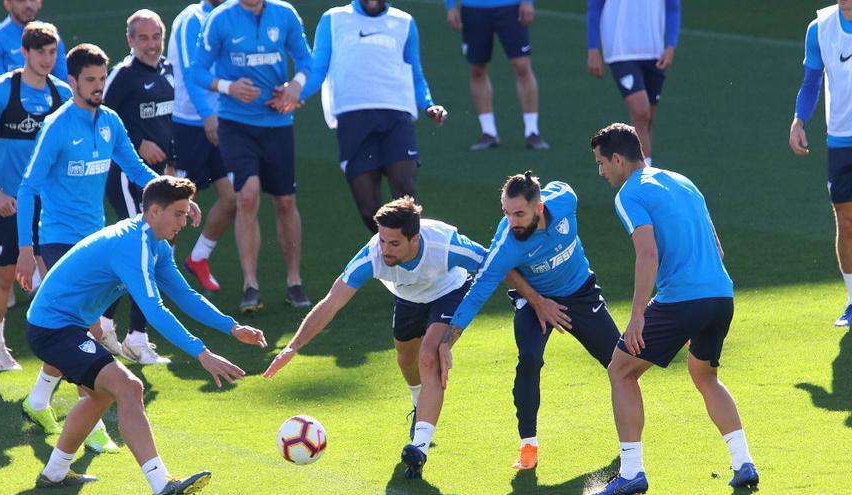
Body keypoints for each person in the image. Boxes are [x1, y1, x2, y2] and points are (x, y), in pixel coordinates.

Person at [28, 175, 266, 493]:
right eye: (179, 213)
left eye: (186, 212)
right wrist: (203, 354)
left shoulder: (155, 244)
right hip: (52, 327)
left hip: (67, 324)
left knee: (102, 394)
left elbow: (184, 295)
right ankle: (160, 483)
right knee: (128, 387)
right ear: (154, 211)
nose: (185, 221)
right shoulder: (133, 245)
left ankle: (55, 472)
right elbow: (155, 311)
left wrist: (232, 327)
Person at [15, 43, 192, 454]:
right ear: (73, 81)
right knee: (87, 332)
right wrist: (26, 249)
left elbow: (136, 170)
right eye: (89, 80)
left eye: (101, 79)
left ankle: (38, 400)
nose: (97, 87)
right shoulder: (57, 126)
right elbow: (28, 186)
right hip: (60, 238)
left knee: (71, 331)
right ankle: (90, 423)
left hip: (95, 239)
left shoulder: (110, 120)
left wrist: (176, 198)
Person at [589, 123, 758, 493]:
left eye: (602, 163)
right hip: (720, 296)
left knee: (620, 371)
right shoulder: (682, 181)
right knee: (705, 376)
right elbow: (718, 249)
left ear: (618, 160)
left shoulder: (629, 194)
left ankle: (632, 472)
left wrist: (636, 318)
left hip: (683, 299)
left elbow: (647, 254)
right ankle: (743, 462)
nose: (601, 171)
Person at [420, 172, 621, 479]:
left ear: (539, 208)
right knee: (529, 358)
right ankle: (528, 444)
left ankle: (630, 445)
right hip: (532, 302)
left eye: (519, 214)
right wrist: (446, 343)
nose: (512, 222)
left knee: (620, 363)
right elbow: (477, 294)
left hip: (580, 291)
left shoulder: (565, 201)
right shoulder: (507, 244)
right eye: (506, 213)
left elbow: (562, 186)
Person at [264, 197, 485, 460]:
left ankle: (419, 447)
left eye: (393, 243)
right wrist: (293, 347)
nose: (385, 250)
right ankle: (419, 404)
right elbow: (331, 302)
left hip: (450, 291)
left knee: (428, 356)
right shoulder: (371, 257)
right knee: (406, 359)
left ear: (414, 239)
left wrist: (531, 297)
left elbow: (493, 264)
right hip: (408, 296)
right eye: (382, 240)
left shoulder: (445, 244)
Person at [191, 0, 314, 311]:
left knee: (285, 202)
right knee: (247, 195)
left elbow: (305, 60)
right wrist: (229, 87)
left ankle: (294, 281)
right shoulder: (220, 19)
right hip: (236, 123)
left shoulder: (284, 14)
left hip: (277, 122)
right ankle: (250, 284)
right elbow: (197, 70)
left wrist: (295, 87)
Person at [290, 0, 448, 233]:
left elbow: (415, 72)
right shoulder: (333, 19)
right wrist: (294, 94)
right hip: (352, 119)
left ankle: (415, 259)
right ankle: (391, 256)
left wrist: (428, 105)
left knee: (405, 192)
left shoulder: (404, 22)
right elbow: (318, 69)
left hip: (396, 116)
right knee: (369, 209)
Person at [0, 22, 71, 371]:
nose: (47, 59)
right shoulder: (3, 90)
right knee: (4, 275)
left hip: (49, 204)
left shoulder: (62, 94)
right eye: (40, 51)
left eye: (52, 52)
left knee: (58, 272)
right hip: (9, 202)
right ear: (25, 53)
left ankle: (59, 346)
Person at [102, 9, 176, 365]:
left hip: (159, 178)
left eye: (156, 37)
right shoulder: (123, 76)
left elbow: (169, 122)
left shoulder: (168, 72)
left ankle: (102, 321)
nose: (150, 45)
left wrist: (172, 162)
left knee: (144, 252)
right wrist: (138, 141)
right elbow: (100, 119)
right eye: (143, 38)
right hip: (126, 176)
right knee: (145, 249)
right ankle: (136, 337)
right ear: (129, 40)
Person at [167, 0, 237, 295]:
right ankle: (161, 272)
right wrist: (207, 115)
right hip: (188, 123)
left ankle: (198, 258)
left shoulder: (233, 16)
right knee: (173, 203)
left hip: (220, 121)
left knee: (233, 198)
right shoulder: (191, 20)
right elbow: (189, 72)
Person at [790, 0, 852, 327]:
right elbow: (811, 81)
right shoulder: (820, 28)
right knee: (845, 220)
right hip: (841, 139)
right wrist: (799, 121)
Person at [444, 0, 548, 151]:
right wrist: (450, 6)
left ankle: (532, 131)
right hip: (473, 8)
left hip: (510, 7)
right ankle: (488, 132)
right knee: (477, 69)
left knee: (522, 66)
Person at [586, 0, 680, 165]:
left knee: (647, 120)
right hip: (620, 51)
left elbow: (673, 7)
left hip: (654, 52)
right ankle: (645, 177)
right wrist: (593, 49)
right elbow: (595, 7)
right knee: (641, 112)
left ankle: (639, 173)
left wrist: (671, 45)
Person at [0, 0, 68, 88]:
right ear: (8, 4)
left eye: (33, 0)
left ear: (40, 2)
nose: (28, 5)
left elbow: (64, 81)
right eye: (21, 0)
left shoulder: (51, 34)